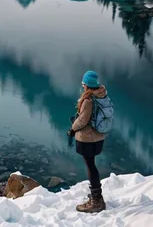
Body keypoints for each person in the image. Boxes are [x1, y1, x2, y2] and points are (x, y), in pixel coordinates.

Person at [67, 70, 108, 213]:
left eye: (83, 84)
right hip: (98, 137)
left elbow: (83, 120)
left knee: (91, 166)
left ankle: (96, 201)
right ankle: (96, 197)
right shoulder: (102, 95)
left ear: (86, 85)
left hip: (88, 139)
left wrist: (72, 129)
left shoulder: (88, 100)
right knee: (92, 165)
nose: (82, 86)